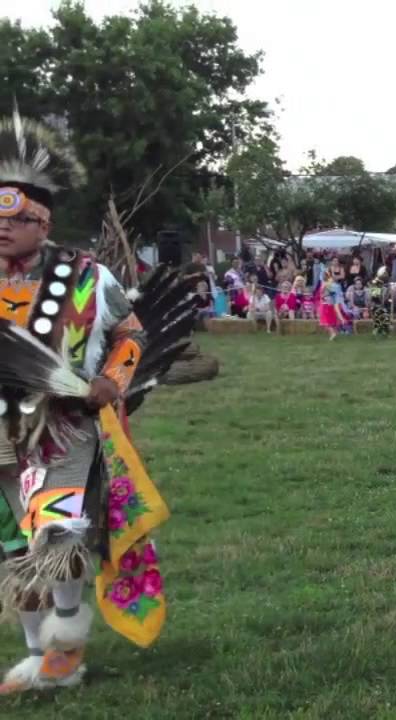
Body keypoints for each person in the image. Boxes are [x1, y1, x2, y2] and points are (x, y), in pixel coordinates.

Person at [0, 108, 193, 693]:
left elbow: (130, 333)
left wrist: (113, 378)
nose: (3, 229)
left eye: (16, 219)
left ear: (43, 222)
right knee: (13, 545)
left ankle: (66, 645)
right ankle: (35, 657)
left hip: (64, 426)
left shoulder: (85, 275)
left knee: (57, 531)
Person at [368, 267, 392, 338]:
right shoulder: (375, 283)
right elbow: (374, 297)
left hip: (384, 305)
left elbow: (388, 297)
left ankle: (384, 331)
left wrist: (389, 291)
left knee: (385, 315)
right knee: (380, 314)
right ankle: (378, 330)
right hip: (376, 305)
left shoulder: (387, 285)